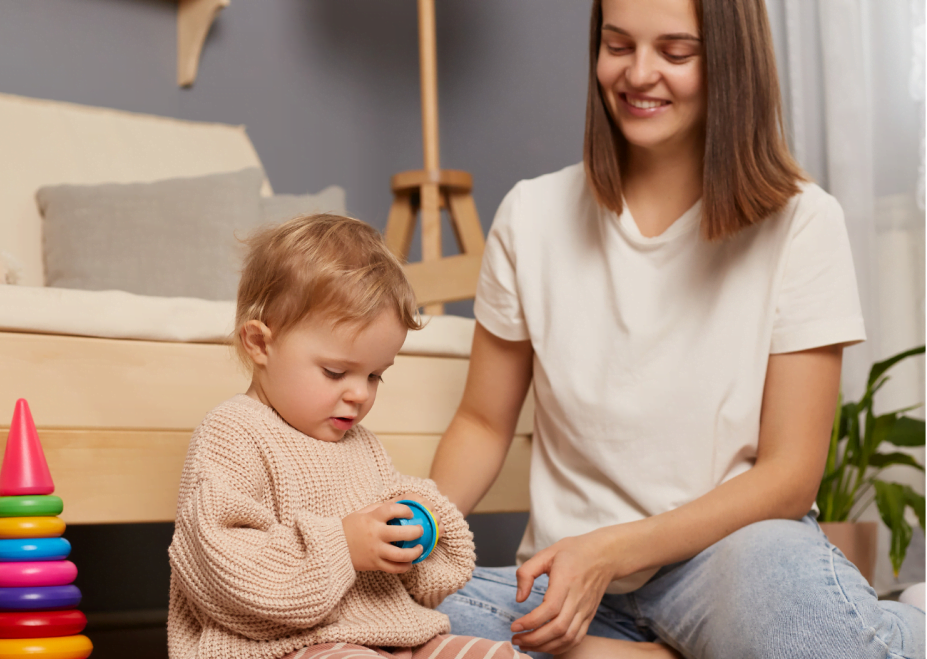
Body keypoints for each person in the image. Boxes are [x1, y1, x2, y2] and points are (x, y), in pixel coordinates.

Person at [429, 1, 926, 658]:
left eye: (675, 52)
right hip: (567, 579)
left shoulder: (803, 221)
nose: (639, 74)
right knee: (388, 608)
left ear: (730, 61)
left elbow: (790, 474)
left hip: (729, 561)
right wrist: (421, 523)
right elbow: (483, 422)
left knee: (801, 621)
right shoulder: (530, 216)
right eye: (617, 46)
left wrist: (614, 549)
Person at [167, 215, 529, 659]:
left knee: (498, 656)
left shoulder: (362, 446)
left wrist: (418, 531)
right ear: (260, 344)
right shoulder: (233, 433)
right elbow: (225, 564)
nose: (360, 394)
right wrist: (343, 546)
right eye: (336, 372)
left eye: (376, 375)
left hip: (391, 634)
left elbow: (428, 584)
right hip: (274, 646)